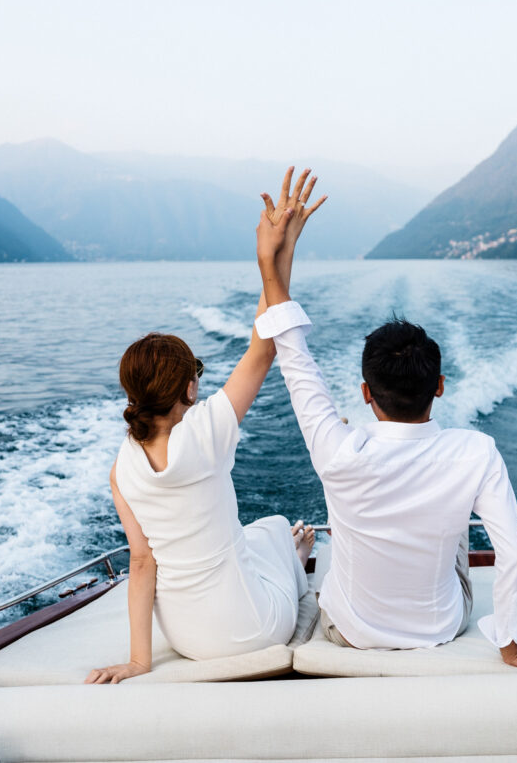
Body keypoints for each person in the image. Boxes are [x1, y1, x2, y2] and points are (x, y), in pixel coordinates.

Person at [253, 168, 517, 670]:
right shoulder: (476, 452)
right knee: (457, 518)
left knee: (347, 524)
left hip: (350, 632)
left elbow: (292, 352)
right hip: (440, 626)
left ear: (365, 393)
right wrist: (512, 645)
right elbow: (513, 556)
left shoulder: (336, 448)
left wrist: (273, 257)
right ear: (440, 386)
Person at [85, 169, 325, 684]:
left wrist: (138, 662)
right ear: (190, 389)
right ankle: (297, 556)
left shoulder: (121, 470)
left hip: (187, 639)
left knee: (258, 534)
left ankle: (288, 550)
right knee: (277, 530)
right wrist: (280, 250)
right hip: (255, 628)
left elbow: (142, 563)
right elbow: (267, 342)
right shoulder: (206, 431)